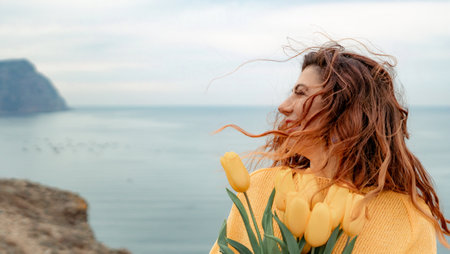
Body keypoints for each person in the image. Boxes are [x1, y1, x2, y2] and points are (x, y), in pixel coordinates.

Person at [209, 41, 449, 253]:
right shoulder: (260, 188)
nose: (283, 106)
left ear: (346, 111)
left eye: (301, 94)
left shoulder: (408, 217)